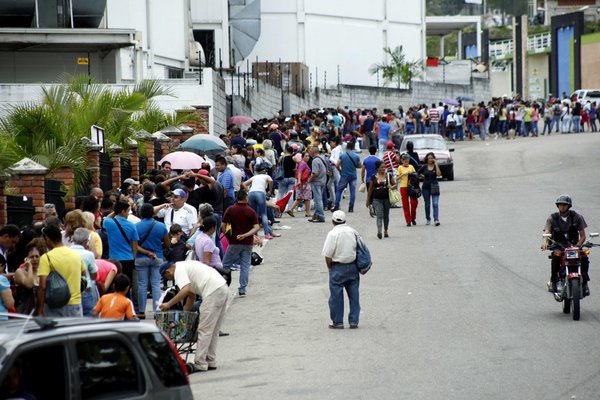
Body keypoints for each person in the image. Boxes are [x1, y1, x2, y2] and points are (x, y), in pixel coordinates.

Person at [159, 260, 229, 373]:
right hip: (221, 287)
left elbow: (185, 289)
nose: (169, 280)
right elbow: (191, 295)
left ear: (167, 272)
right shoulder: (184, 266)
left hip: (213, 291)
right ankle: (210, 360)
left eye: (167, 277)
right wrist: (184, 313)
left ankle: (200, 363)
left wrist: (168, 304)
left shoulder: (178, 270)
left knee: (204, 329)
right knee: (213, 329)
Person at [541, 195, 590, 296]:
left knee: (584, 258)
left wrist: (577, 246)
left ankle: (585, 284)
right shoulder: (552, 218)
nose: (562, 207)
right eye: (560, 205)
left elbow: (583, 236)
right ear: (557, 206)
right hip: (558, 246)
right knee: (555, 257)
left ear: (569, 206)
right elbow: (547, 231)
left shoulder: (577, 217)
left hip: (574, 246)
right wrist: (545, 242)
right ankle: (553, 282)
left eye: (564, 205)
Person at [35, 224, 86, 317]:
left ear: (47, 239)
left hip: (55, 305)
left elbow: (42, 286)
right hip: (75, 303)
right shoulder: (76, 255)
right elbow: (84, 274)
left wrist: (39, 310)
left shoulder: (46, 258)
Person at [321, 210, 361, 329]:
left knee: (336, 296)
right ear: (345, 220)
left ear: (333, 221)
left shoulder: (332, 234)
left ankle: (338, 322)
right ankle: (354, 321)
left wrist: (330, 268)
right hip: (353, 265)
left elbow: (328, 255)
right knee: (354, 296)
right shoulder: (353, 231)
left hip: (338, 266)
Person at [221, 190, 260, 297]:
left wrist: (228, 236)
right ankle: (242, 289)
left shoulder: (230, 210)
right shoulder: (251, 211)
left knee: (225, 265)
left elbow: (223, 225)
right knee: (245, 266)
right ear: (246, 197)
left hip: (234, 242)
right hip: (247, 243)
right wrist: (247, 235)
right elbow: (256, 227)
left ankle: (222, 287)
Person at [102, 200, 139, 304]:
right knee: (126, 286)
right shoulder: (132, 226)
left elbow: (106, 218)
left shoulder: (109, 223)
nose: (128, 214)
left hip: (113, 260)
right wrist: (134, 257)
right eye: (127, 211)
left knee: (114, 285)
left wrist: (115, 211)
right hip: (128, 259)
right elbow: (135, 245)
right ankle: (126, 305)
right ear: (123, 211)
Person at [135, 203, 169, 317]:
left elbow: (134, 245)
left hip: (140, 257)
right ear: (153, 213)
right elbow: (167, 243)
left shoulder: (136, 226)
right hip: (157, 256)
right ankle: (157, 310)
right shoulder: (161, 226)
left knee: (142, 284)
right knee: (155, 284)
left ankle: (141, 310)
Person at [242, 164, 279, 239]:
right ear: (265, 171)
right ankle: (267, 234)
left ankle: (255, 234)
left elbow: (244, 184)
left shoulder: (254, 177)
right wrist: (270, 190)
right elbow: (271, 181)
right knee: (263, 214)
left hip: (251, 194)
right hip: (260, 193)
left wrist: (249, 191)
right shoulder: (266, 176)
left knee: (254, 214)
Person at [70, 228, 98, 317]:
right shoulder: (88, 254)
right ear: (86, 241)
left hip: (70, 289)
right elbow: (94, 275)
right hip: (85, 289)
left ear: (73, 239)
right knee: (88, 316)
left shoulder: (66, 252)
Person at [366, 161, 396, 239]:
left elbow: (394, 184)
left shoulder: (388, 176)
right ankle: (379, 231)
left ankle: (386, 230)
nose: (383, 169)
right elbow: (370, 189)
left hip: (386, 199)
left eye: (384, 167)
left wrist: (392, 187)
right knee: (379, 215)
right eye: (382, 167)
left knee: (386, 215)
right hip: (376, 199)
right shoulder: (373, 177)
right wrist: (368, 200)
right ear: (377, 168)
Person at [14, 242, 42, 315]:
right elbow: (29, 285)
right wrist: (29, 267)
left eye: (37, 256)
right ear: (26, 258)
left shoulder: (42, 273)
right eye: (31, 257)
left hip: (41, 311)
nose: (35, 259)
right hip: (25, 311)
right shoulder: (20, 271)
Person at [334, 141, 362, 213]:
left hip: (344, 175)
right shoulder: (356, 156)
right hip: (353, 175)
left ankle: (337, 205)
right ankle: (351, 207)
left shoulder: (343, 155)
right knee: (352, 191)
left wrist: (340, 170)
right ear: (353, 148)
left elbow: (337, 165)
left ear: (346, 147)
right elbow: (360, 165)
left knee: (339, 190)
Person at [288, 152, 313, 219]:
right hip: (303, 182)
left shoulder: (302, 163)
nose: (307, 157)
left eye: (308, 156)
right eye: (306, 156)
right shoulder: (303, 163)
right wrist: (299, 181)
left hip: (303, 182)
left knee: (302, 197)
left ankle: (306, 211)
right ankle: (307, 212)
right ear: (302, 157)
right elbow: (300, 172)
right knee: (305, 197)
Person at [419, 152, 442, 226]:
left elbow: (438, 174)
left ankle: (436, 219)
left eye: (432, 158)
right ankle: (428, 218)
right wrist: (422, 176)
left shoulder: (435, 166)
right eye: (429, 158)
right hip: (426, 187)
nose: (430, 159)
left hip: (434, 186)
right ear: (426, 159)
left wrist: (436, 164)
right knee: (427, 204)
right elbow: (417, 173)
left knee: (435, 203)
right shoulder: (424, 167)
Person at [396, 154, 418, 226]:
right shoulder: (400, 168)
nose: (406, 163)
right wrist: (403, 174)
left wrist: (412, 174)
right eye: (405, 162)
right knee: (405, 204)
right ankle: (408, 220)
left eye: (408, 162)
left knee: (413, 203)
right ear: (402, 161)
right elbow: (396, 178)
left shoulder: (411, 167)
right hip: (403, 186)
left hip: (411, 186)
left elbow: (415, 175)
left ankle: (413, 218)